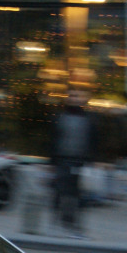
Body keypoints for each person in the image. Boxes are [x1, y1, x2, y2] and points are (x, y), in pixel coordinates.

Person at [50, 89, 97, 238]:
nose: (75, 99)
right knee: (60, 191)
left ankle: (72, 223)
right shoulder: (60, 117)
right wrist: (50, 161)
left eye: (78, 96)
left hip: (79, 161)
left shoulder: (88, 118)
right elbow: (53, 139)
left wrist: (92, 160)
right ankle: (58, 221)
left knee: (76, 194)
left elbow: (93, 141)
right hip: (62, 159)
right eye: (72, 96)